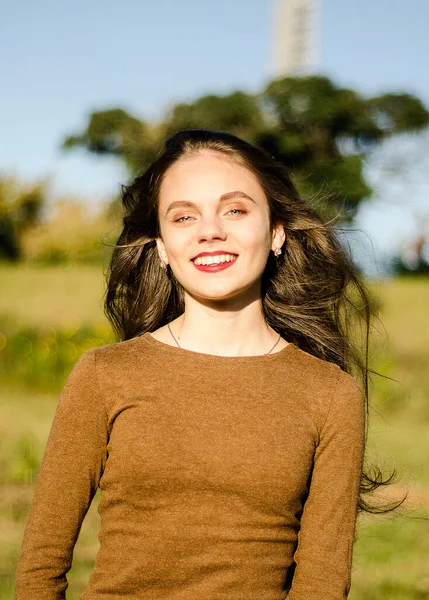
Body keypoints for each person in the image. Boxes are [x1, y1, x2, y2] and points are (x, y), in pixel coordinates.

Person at [15, 129, 387, 599]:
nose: (209, 230)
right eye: (184, 216)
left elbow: (323, 583)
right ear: (162, 248)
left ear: (276, 233)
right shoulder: (104, 375)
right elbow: (39, 567)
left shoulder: (330, 394)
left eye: (234, 209)